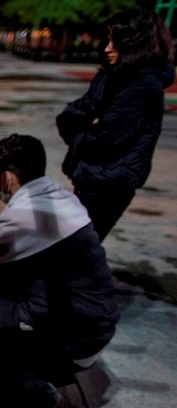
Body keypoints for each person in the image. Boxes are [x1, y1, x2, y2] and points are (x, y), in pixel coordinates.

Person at [0, 134, 120, 408]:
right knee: (1, 290)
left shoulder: (23, 214)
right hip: (93, 333)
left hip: (72, 344)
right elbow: (3, 260)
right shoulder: (62, 200)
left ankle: (29, 384)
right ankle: (33, 366)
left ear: (7, 178)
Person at [56, 8, 174, 241]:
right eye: (108, 39)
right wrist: (90, 123)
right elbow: (67, 117)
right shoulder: (110, 77)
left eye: (115, 42)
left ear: (134, 45)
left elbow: (105, 140)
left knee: (77, 250)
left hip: (111, 182)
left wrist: (87, 126)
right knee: (74, 249)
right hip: (91, 177)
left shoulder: (142, 86)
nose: (108, 48)